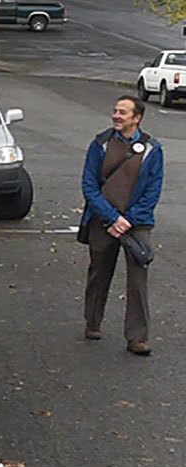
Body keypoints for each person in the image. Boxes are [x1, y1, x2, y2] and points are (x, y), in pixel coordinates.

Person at [80, 94, 163, 356]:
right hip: (104, 219)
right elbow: (89, 186)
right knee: (99, 272)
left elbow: (153, 189)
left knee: (138, 280)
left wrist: (129, 220)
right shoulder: (100, 144)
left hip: (137, 223)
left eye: (123, 112)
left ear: (136, 118)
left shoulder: (152, 149)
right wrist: (112, 217)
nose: (116, 115)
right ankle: (92, 321)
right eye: (115, 111)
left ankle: (137, 337)